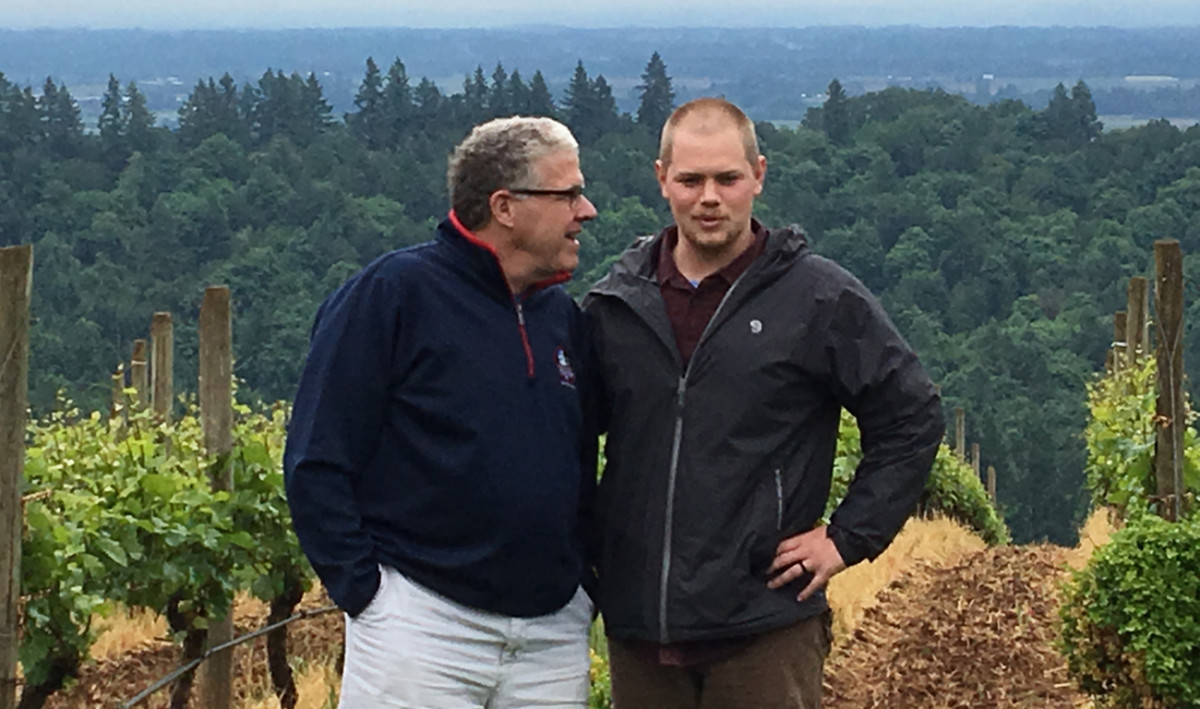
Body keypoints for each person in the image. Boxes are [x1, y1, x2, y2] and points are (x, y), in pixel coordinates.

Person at [582, 97, 945, 708]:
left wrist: (846, 537)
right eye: (691, 180)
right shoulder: (616, 305)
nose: (709, 198)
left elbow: (912, 416)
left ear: (759, 175)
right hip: (639, 628)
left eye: (727, 178)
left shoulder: (818, 299)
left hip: (764, 626)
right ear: (661, 179)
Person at [284, 115, 600, 708]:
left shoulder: (561, 317)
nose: (587, 211)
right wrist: (371, 598)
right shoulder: (393, 295)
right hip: (423, 627)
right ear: (505, 206)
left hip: (551, 636)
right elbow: (316, 458)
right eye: (569, 194)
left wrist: (582, 589)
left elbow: (579, 464)